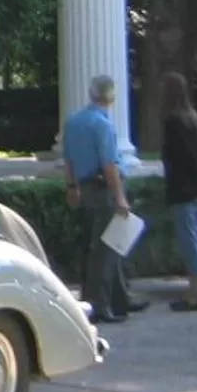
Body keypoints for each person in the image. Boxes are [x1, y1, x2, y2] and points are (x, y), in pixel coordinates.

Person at [63, 74, 137, 324]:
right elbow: (109, 166)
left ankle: (120, 298)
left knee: (99, 245)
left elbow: (69, 159)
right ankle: (100, 304)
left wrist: (71, 186)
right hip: (104, 188)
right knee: (106, 249)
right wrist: (120, 197)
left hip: (85, 187)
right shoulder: (103, 125)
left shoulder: (73, 122)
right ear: (111, 96)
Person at [159, 71, 197, 313]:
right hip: (194, 186)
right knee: (193, 235)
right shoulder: (194, 119)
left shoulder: (173, 121)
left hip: (181, 186)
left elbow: (179, 156)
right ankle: (194, 289)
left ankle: (196, 292)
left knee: (188, 237)